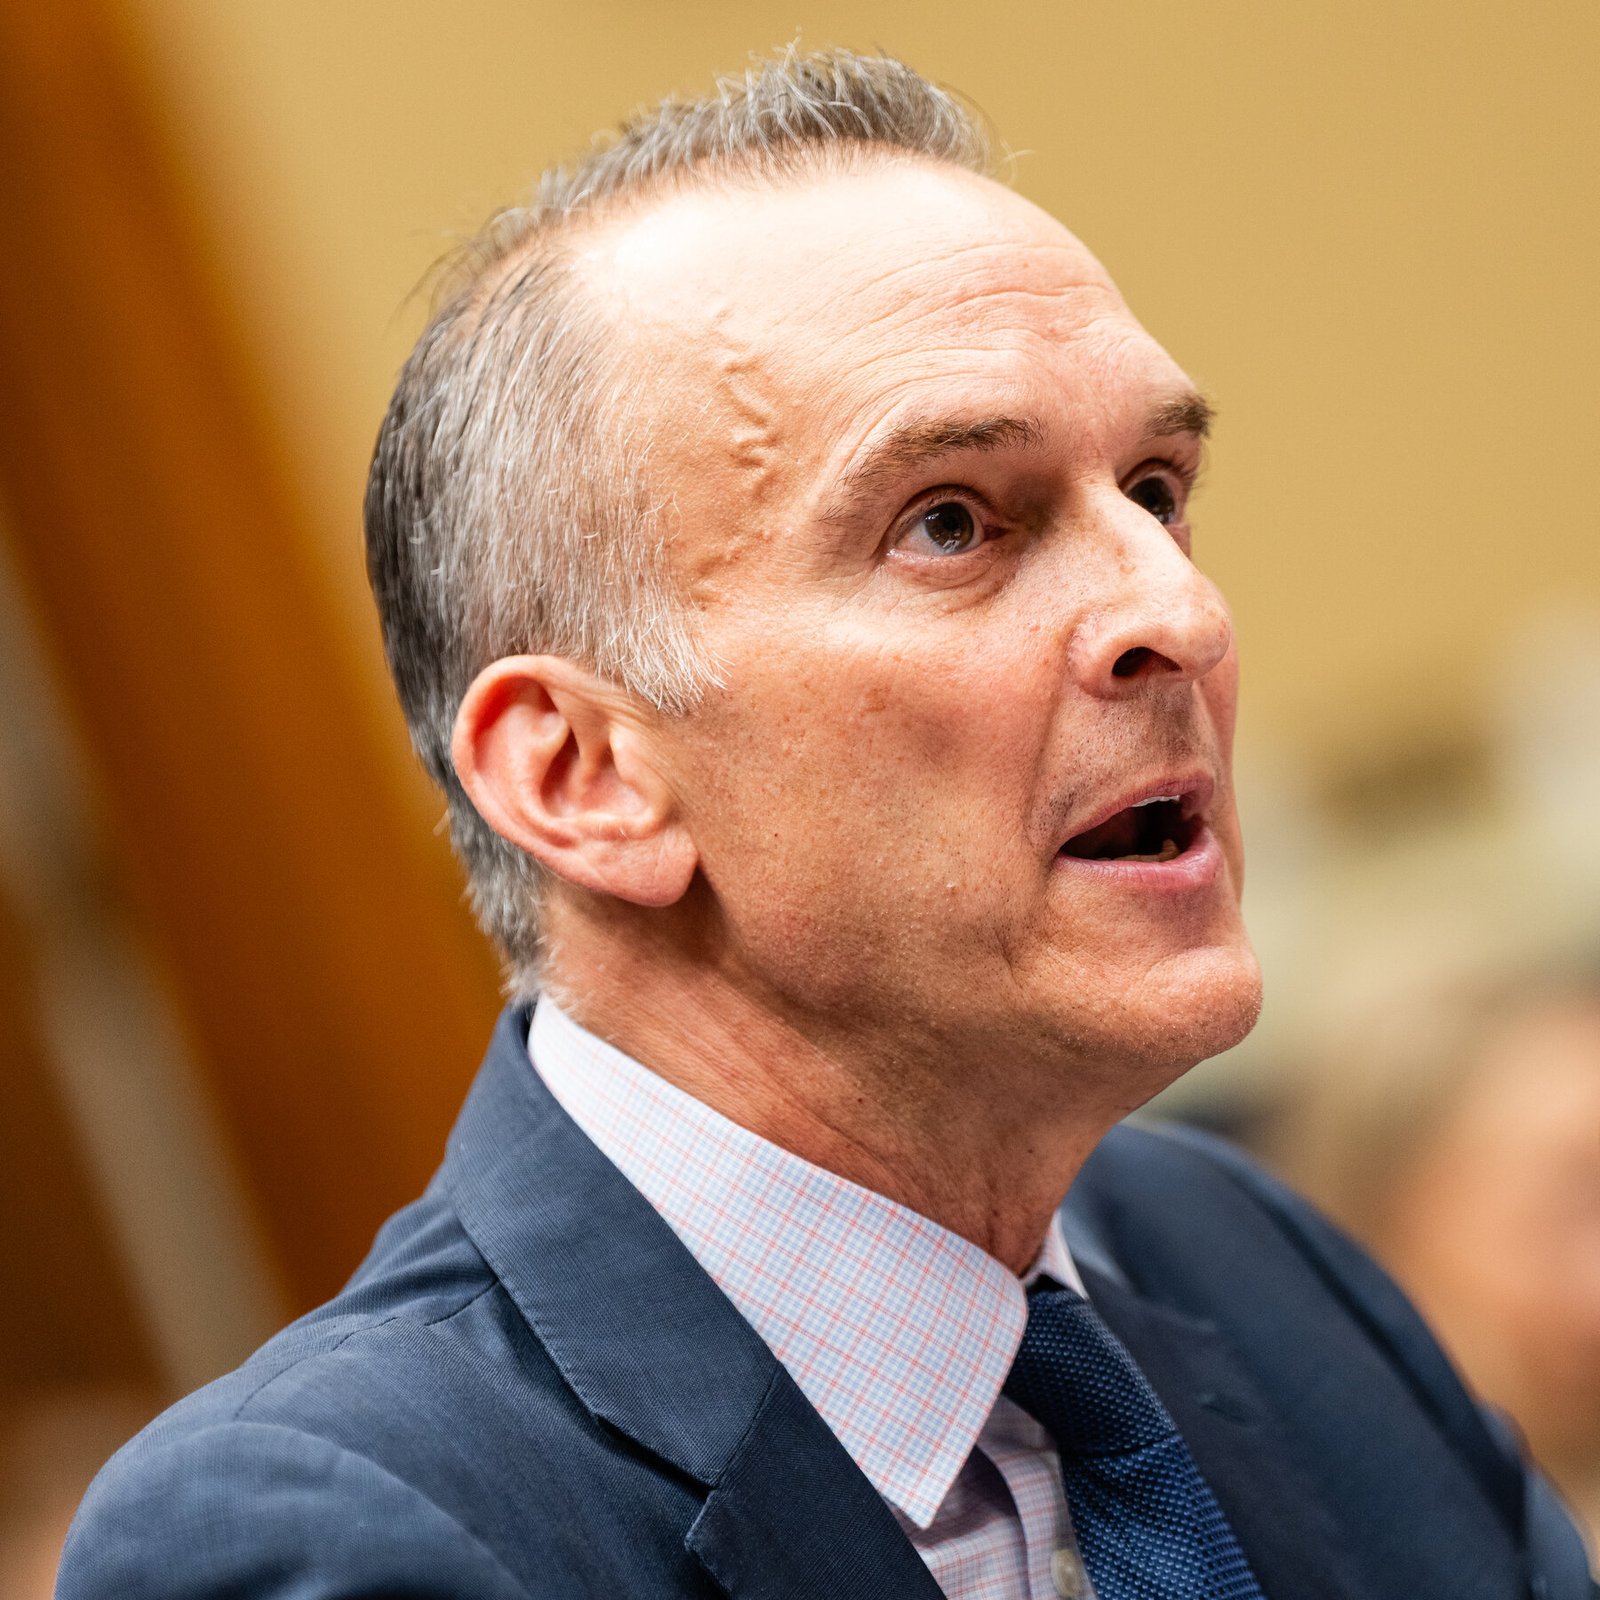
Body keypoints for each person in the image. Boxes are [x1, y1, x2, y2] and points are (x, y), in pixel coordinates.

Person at [57, 49, 1593, 1600]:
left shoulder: (1256, 1270)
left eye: (1154, 487)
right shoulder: (331, 1530)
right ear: (584, 776)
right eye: (953, 522)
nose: (1179, 612)